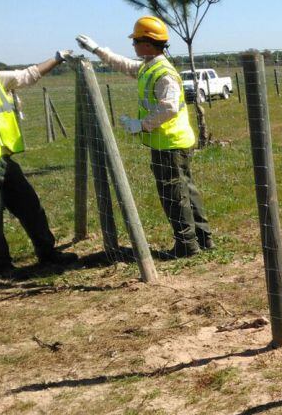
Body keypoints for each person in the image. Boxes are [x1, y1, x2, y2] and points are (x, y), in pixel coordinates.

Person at [75, 17, 212, 258]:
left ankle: (187, 245)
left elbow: (169, 107)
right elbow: (124, 65)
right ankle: (203, 239)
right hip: (171, 142)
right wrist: (97, 50)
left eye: (136, 41)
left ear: (148, 43)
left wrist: (141, 125)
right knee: (186, 191)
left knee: (174, 196)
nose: (133, 45)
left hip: (169, 144)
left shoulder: (163, 73)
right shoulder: (149, 67)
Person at [0, 33, 77, 276]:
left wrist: (56, 59)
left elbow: (27, 75)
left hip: (4, 159)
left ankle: (48, 253)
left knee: (30, 206)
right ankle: (1, 267)